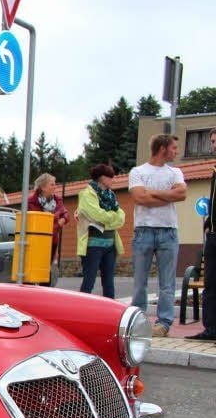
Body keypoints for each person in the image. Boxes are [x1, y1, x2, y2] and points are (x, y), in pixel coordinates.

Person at [128, 134, 188, 337]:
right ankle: (138, 322)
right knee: (139, 282)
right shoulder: (137, 172)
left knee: (167, 283)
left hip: (168, 232)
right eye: (174, 148)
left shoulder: (175, 172)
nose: (176, 152)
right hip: (143, 230)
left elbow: (181, 194)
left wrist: (151, 193)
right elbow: (138, 197)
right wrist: (167, 196)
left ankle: (163, 324)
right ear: (162, 149)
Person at [76, 164, 125, 298]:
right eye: (110, 177)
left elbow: (121, 217)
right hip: (92, 245)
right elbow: (96, 215)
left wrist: (107, 221)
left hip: (110, 245)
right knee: (89, 281)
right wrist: (112, 219)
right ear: (102, 178)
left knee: (109, 282)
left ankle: (110, 312)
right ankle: (81, 309)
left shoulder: (111, 196)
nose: (112, 180)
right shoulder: (87, 194)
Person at [187, 127, 216, 341]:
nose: (214, 145)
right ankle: (211, 329)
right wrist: (209, 221)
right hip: (214, 235)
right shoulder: (215, 170)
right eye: (213, 142)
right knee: (211, 282)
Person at [27, 172, 70, 268]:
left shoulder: (57, 200)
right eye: (52, 184)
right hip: (37, 241)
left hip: (53, 240)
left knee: (47, 272)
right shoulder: (31, 202)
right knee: (35, 269)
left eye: (55, 184)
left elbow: (65, 213)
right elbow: (40, 223)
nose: (55, 187)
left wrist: (63, 219)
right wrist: (58, 223)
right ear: (43, 187)